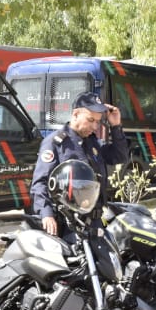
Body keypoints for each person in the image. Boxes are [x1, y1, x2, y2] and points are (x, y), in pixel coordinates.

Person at [30, 91, 127, 236]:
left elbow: (120, 156)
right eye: (91, 120)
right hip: (70, 225)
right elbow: (40, 183)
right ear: (75, 114)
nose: (95, 126)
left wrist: (116, 126)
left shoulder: (93, 142)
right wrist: (46, 214)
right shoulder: (56, 143)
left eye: (98, 121)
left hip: (95, 223)